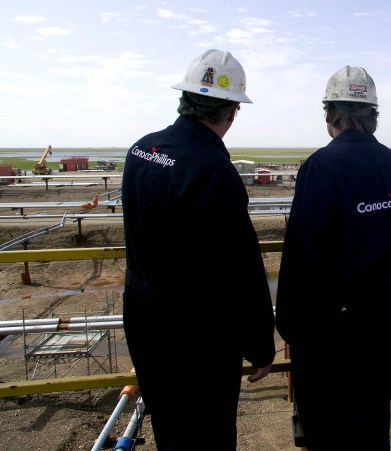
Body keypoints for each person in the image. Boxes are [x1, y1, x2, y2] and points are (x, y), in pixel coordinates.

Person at [121, 49, 275, 450]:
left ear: (184, 101)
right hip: (196, 339)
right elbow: (240, 265)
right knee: (208, 434)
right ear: (232, 111)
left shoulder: (141, 151)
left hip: (144, 322)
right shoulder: (211, 169)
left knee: (170, 431)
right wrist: (260, 343)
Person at [275, 66, 391, 449]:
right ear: (373, 116)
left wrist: (288, 323)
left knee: (326, 427)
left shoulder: (320, 167)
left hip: (327, 324)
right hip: (378, 315)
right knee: (372, 421)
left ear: (329, 115)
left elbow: (302, 252)